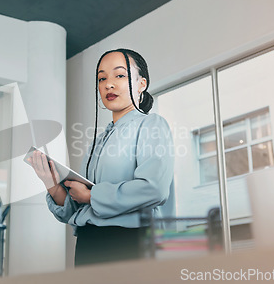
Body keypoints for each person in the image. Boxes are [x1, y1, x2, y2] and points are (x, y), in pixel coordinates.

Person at [29, 48, 174, 266]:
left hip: (129, 242)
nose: (108, 84)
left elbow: (154, 189)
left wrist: (91, 195)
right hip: (89, 243)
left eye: (120, 75)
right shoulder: (99, 140)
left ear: (142, 83)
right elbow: (78, 208)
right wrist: (52, 184)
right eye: (102, 78)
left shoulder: (152, 125)